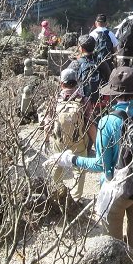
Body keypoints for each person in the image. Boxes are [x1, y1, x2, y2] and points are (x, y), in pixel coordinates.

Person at [51, 66, 133, 260]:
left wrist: (70, 159)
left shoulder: (108, 122)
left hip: (117, 192)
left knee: (114, 245)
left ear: (113, 94)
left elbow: (101, 165)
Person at [41, 68, 94, 200]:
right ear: (76, 83)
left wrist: (46, 140)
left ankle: (58, 193)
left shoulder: (54, 100)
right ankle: (76, 199)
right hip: (79, 144)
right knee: (79, 170)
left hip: (59, 142)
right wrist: (97, 144)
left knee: (56, 166)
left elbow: (47, 125)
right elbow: (90, 125)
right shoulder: (84, 100)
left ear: (61, 83)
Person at [69, 35, 101, 108]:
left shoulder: (76, 63)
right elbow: (108, 77)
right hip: (98, 101)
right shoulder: (101, 61)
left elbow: (66, 79)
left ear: (81, 49)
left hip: (81, 101)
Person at [89, 13, 119, 84]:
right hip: (108, 63)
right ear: (106, 23)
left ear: (96, 23)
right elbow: (115, 49)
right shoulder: (110, 34)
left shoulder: (92, 34)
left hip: (94, 63)